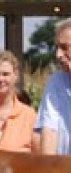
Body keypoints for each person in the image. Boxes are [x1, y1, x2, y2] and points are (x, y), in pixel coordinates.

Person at [35, 17, 71, 155]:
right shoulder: (55, 81)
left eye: (64, 47)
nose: (58, 54)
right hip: (62, 171)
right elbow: (49, 128)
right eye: (57, 47)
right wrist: (48, 172)